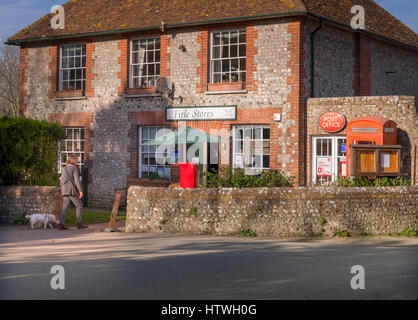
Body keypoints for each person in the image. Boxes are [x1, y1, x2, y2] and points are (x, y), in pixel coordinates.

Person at [58, 155, 88, 230]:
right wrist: (80, 191)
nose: (77, 161)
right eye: (76, 160)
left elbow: (61, 181)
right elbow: (77, 181)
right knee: (79, 205)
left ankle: (61, 224)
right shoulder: (74, 168)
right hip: (71, 190)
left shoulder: (64, 168)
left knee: (65, 207)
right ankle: (79, 223)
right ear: (74, 160)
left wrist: (62, 189)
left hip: (64, 190)